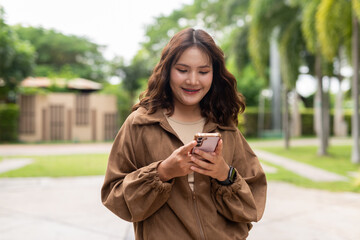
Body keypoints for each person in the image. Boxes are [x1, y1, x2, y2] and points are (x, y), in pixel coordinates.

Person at [101, 27, 267, 240]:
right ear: (167, 70)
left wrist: (224, 174)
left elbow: (253, 203)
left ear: (214, 74)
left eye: (203, 71)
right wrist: (162, 172)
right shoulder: (140, 123)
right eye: (182, 70)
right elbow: (114, 196)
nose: (193, 80)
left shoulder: (224, 126)